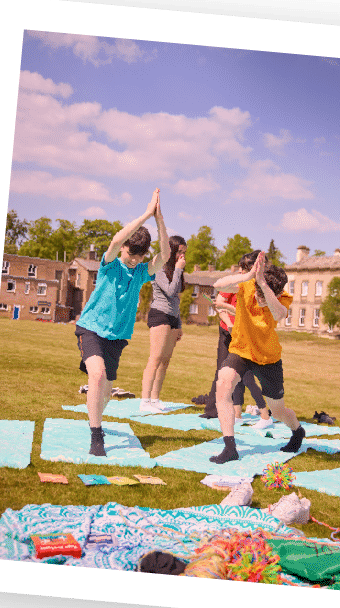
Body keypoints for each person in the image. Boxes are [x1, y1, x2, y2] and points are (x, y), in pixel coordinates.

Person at [75, 190, 168, 457]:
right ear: (124, 248)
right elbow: (116, 239)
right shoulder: (110, 265)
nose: (134, 259)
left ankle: (95, 413)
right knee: (98, 375)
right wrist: (145, 214)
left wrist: (158, 219)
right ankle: (96, 436)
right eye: (131, 252)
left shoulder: (141, 273)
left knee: (105, 393)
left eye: (140, 255)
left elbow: (165, 254)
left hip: (117, 337)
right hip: (91, 328)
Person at [209, 250, 305, 463]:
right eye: (258, 293)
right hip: (241, 350)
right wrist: (249, 277)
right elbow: (218, 285)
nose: (259, 299)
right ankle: (230, 448)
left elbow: (279, 314)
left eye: (264, 294)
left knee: (278, 411)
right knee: (223, 384)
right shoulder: (246, 286)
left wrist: (263, 286)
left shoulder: (282, 298)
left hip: (268, 358)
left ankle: (297, 431)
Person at [197, 283, 270, 425]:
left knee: (247, 378)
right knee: (228, 372)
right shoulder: (234, 283)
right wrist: (229, 322)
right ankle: (233, 414)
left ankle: (265, 415)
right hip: (229, 331)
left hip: (244, 336)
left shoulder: (257, 288)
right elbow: (220, 303)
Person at [139, 221, 187, 414]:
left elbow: (176, 297)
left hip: (173, 317)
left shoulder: (176, 269)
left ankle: (155, 399)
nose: (182, 256)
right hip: (160, 314)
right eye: (180, 251)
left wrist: (180, 323)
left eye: (184, 252)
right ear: (172, 250)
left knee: (165, 360)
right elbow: (169, 290)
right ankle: (144, 400)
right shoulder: (160, 267)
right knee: (156, 358)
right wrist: (179, 269)